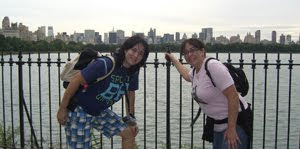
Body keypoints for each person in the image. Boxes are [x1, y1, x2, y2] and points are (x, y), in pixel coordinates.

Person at [57, 35, 149, 149]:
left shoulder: (133, 72)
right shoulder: (106, 64)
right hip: (79, 110)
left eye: (140, 53)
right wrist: (62, 108)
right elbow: (76, 81)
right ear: (126, 49)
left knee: (128, 133)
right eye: (134, 50)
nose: (136, 55)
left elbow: (130, 93)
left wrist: (131, 119)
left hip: (99, 111)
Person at [165, 38, 249, 149]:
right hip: (217, 126)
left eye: (193, 50)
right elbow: (186, 75)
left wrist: (231, 128)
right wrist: (173, 59)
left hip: (235, 124)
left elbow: (233, 96)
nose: (189, 54)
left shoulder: (212, 66)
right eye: (186, 52)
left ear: (203, 51)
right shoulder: (196, 71)